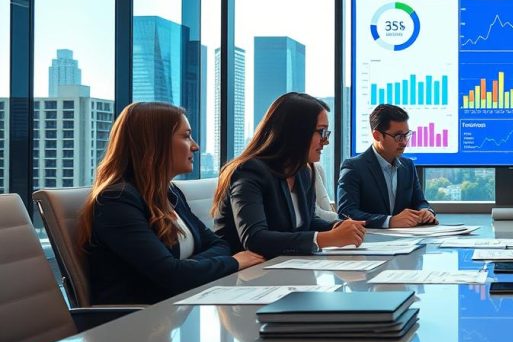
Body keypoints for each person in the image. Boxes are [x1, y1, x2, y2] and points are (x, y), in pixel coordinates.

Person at [80, 102, 264, 305]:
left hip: (181, 307)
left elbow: (219, 244)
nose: (195, 146)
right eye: (186, 136)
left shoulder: (170, 193)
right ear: (154, 143)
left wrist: (186, 267)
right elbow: (172, 276)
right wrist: (233, 262)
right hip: (137, 322)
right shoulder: (116, 202)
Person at [213, 93, 366, 258]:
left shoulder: (302, 172)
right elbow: (255, 239)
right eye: (321, 132)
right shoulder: (250, 171)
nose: (325, 141)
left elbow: (306, 222)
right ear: (296, 132)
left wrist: (338, 227)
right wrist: (326, 238)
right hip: (243, 275)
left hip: (283, 267)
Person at [337, 104, 436, 229]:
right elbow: (346, 213)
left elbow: (419, 202)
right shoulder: (354, 167)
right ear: (377, 135)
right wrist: (389, 221)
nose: (405, 142)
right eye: (398, 136)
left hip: (408, 242)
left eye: (407, 135)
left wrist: (426, 211)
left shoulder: (408, 166)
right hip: (369, 243)